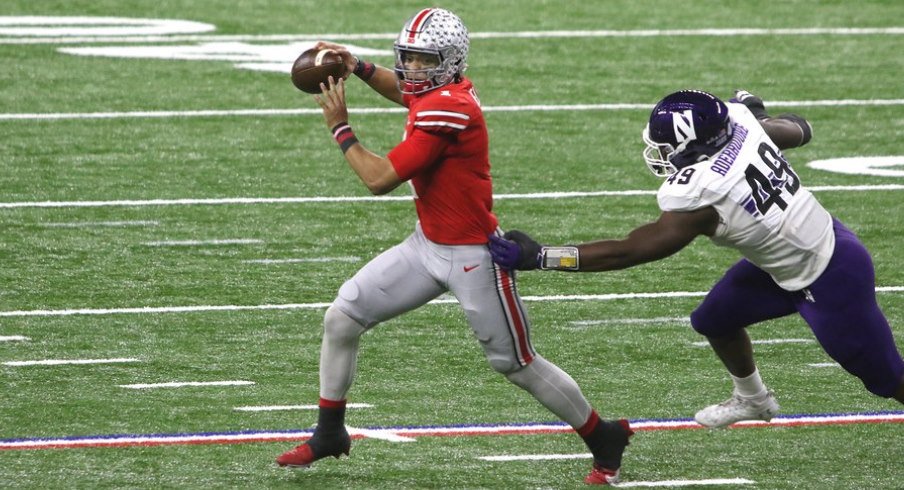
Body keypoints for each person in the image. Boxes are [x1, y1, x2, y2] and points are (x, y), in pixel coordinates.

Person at [275, 8, 633, 485]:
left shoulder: (449, 106)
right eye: (409, 58)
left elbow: (379, 179)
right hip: (427, 246)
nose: (412, 69)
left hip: (473, 257)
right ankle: (329, 432)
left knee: (515, 363)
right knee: (343, 317)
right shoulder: (439, 93)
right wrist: (358, 66)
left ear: (448, 62)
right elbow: (406, 92)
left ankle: (602, 435)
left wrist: (341, 128)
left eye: (424, 60)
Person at [489, 89, 904, 429]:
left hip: (829, 276)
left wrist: (543, 257)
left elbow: (631, 250)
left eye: (666, 146)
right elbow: (800, 128)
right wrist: (758, 121)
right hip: (792, 255)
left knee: (886, 379)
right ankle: (753, 399)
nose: (659, 152)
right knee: (714, 320)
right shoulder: (740, 126)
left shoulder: (703, 191)